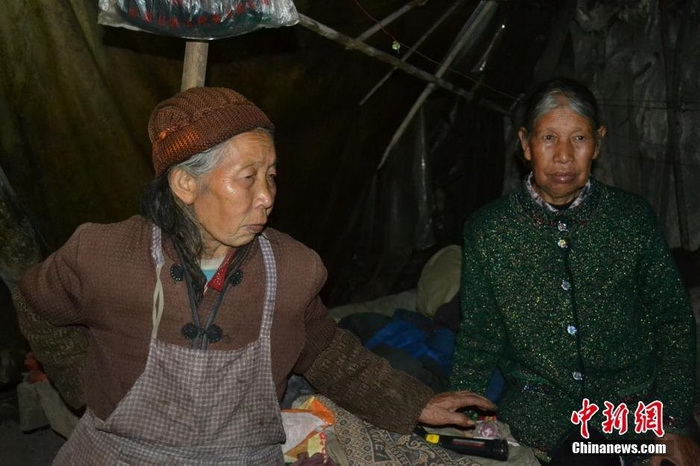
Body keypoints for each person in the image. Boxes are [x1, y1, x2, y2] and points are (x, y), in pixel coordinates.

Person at [14, 87, 495, 464]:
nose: (266, 196)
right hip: (117, 455)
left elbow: (328, 352)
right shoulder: (105, 255)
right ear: (186, 183)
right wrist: (80, 382)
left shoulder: (291, 268)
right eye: (248, 176)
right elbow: (38, 304)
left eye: (271, 176)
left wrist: (415, 405)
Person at [450, 77, 699, 465]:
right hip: (544, 409)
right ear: (525, 144)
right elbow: (480, 334)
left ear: (597, 142)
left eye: (579, 139)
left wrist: (676, 422)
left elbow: (675, 322)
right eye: (549, 138)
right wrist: (460, 415)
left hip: (635, 403)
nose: (564, 155)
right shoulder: (489, 230)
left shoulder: (631, 219)